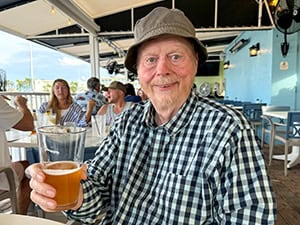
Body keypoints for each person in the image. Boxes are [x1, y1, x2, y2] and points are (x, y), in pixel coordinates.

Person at [29, 7, 276, 224]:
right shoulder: (127, 121)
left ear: (196, 63)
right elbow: (97, 184)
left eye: (175, 57)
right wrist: (76, 197)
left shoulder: (227, 128)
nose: (162, 70)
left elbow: (252, 217)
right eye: (150, 60)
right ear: (138, 71)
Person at [0, 95, 34, 214]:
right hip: (1, 174)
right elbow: (28, 124)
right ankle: (19, 218)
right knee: (30, 171)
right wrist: (21, 103)